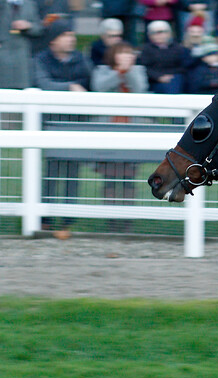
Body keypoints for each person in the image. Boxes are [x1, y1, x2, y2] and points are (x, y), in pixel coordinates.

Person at [33, 17, 91, 230]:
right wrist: (70, 87)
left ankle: (68, 218)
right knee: (51, 171)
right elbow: (42, 83)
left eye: (71, 35)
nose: (71, 39)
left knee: (72, 172)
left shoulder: (81, 59)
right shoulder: (40, 59)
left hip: (76, 124)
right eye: (65, 35)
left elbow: (89, 83)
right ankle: (44, 217)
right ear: (53, 40)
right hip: (50, 124)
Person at [91, 41, 148, 232]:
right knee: (110, 177)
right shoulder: (102, 70)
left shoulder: (138, 71)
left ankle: (127, 219)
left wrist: (128, 70)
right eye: (122, 53)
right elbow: (99, 87)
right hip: (108, 131)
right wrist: (119, 72)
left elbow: (140, 88)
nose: (126, 56)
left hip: (132, 131)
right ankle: (111, 219)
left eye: (129, 53)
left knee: (128, 178)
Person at [138, 20, 191, 93]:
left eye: (162, 32)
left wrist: (170, 76)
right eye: (155, 33)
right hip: (154, 80)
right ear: (149, 35)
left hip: (175, 78)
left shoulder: (178, 48)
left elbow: (184, 66)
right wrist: (158, 77)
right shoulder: (146, 49)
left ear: (169, 33)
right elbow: (144, 67)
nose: (159, 35)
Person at [0, 0, 42, 89]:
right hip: (2, 50)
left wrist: (28, 26)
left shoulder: (30, 4)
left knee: (20, 88)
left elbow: (39, 29)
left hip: (21, 54)